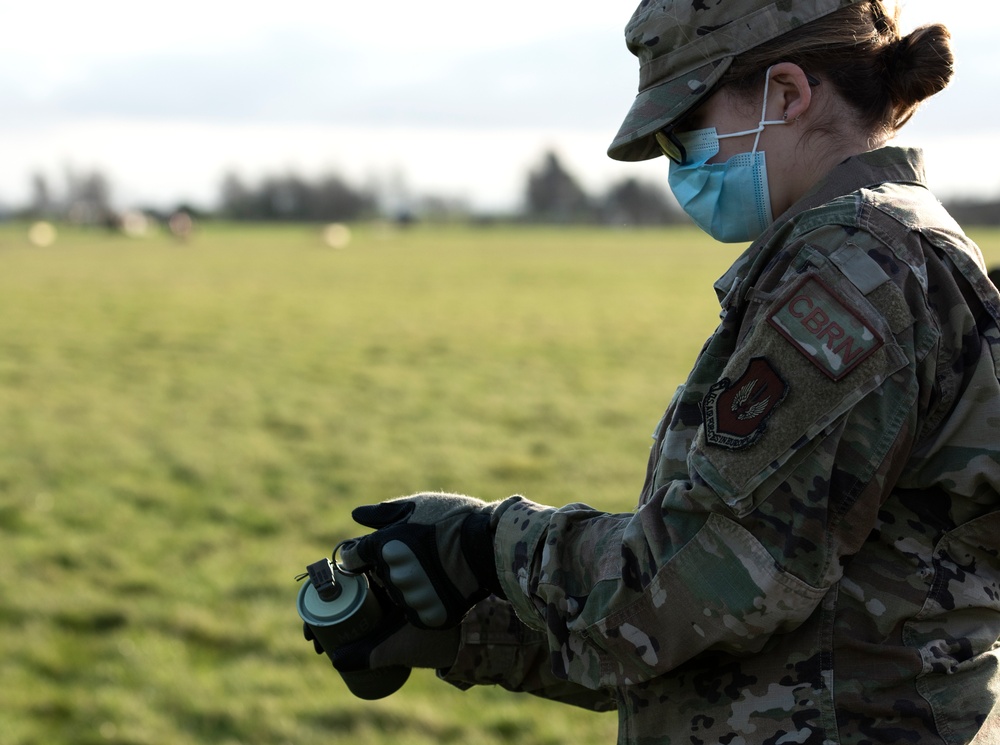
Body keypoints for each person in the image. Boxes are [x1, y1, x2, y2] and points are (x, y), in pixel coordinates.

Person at [315, 1, 1000, 742]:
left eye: (685, 134)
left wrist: (487, 544)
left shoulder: (854, 268)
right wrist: (469, 636)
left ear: (788, 95)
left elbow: (701, 580)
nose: (682, 167)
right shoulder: (877, 249)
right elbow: (745, 638)